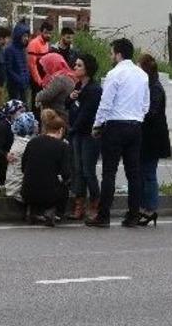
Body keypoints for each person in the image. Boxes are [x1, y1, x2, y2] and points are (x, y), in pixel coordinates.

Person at [85, 38, 150, 228]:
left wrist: (97, 125)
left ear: (118, 54)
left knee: (109, 172)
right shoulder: (142, 75)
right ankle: (133, 215)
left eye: (111, 52)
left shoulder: (114, 74)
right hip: (135, 126)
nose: (110, 55)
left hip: (115, 126)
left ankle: (103, 215)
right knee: (134, 173)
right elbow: (146, 104)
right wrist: (137, 117)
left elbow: (106, 104)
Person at [65, 54, 103, 220]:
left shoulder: (94, 90)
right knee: (77, 170)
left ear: (87, 69)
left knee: (88, 171)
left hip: (89, 134)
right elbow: (68, 105)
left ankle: (95, 204)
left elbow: (86, 114)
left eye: (79, 65)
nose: (75, 67)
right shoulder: (78, 85)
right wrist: (70, 98)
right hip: (76, 134)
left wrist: (72, 130)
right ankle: (79, 205)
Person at [21, 109, 72, 227]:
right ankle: (53, 211)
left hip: (27, 191)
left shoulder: (32, 142)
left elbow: (24, 167)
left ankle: (32, 210)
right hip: (50, 195)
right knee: (63, 187)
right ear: (61, 130)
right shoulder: (62, 146)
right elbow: (66, 173)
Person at [137, 54, 171, 227]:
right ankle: (143, 208)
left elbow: (152, 112)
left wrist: (137, 115)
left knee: (149, 174)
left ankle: (150, 209)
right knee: (142, 173)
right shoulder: (148, 86)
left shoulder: (155, 88)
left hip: (153, 137)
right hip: (147, 136)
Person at [5, 112, 38, 202]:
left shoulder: (18, 141)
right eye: (34, 123)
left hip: (12, 186)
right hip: (18, 190)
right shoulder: (27, 145)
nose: (36, 124)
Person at [35, 53, 76, 124]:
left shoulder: (60, 79)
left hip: (56, 119)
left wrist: (37, 97)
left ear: (51, 65)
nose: (44, 69)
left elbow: (46, 95)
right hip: (62, 116)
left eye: (46, 65)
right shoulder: (67, 75)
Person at [27, 21, 53, 112]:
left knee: (43, 101)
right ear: (41, 32)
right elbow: (32, 65)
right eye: (46, 32)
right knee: (36, 101)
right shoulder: (34, 43)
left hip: (44, 76)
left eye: (50, 33)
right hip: (36, 77)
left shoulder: (46, 43)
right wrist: (39, 81)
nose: (48, 35)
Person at [3, 21, 31, 102]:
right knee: (16, 109)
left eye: (27, 36)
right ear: (19, 36)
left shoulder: (23, 49)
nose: (26, 38)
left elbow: (25, 66)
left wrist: (27, 77)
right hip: (14, 86)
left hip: (23, 86)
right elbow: (8, 69)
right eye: (24, 36)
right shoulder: (9, 49)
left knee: (24, 107)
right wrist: (19, 79)